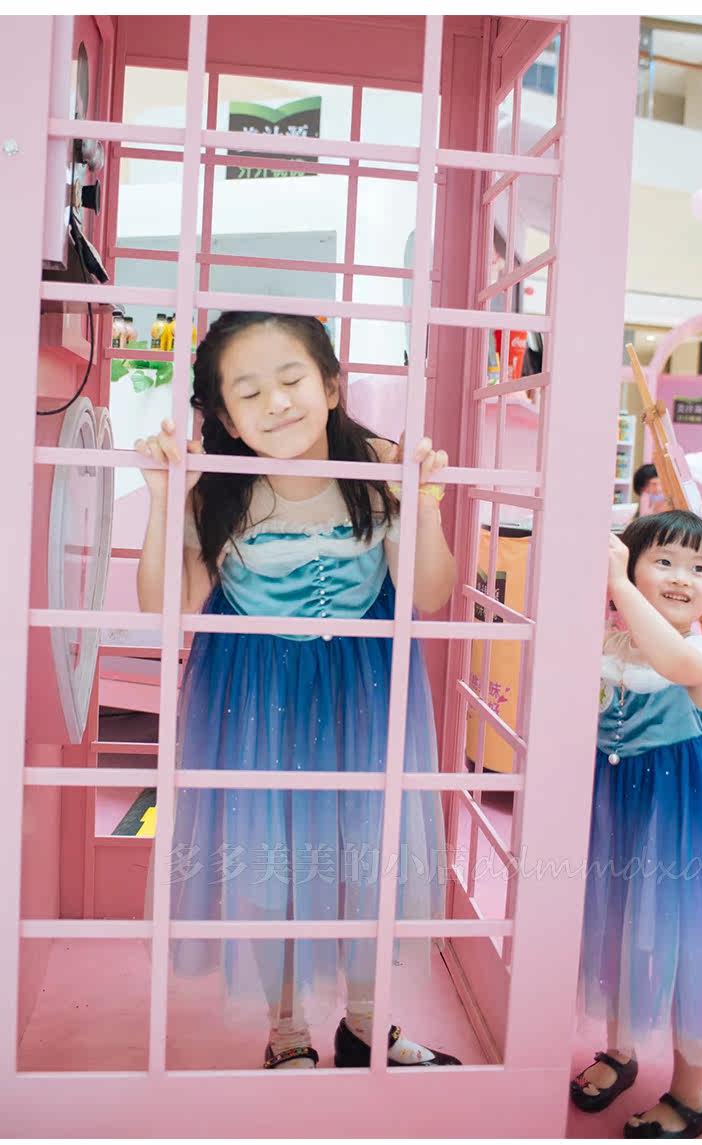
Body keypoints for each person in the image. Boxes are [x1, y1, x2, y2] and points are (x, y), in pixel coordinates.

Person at [136, 311, 461, 1070]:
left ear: (332, 386)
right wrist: (162, 499)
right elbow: (165, 605)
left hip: (364, 687)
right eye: (249, 392)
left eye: (291, 380)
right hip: (255, 692)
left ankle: (367, 1023)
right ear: (224, 417)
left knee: (369, 851)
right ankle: (287, 1031)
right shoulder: (218, 488)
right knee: (268, 855)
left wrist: (424, 507)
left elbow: (432, 593)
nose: (277, 403)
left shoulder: (380, 467)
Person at [570, 510, 702, 1138]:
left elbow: (671, 662)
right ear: (633, 563)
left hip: (681, 817)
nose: (682, 577)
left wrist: (620, 585)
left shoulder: (701, 652)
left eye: (700, 569)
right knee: (616, 927)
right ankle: (620, 1051)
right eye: (665, 561)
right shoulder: (608, 644)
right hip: (615, 807)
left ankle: (689, 1094)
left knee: (688, 945)